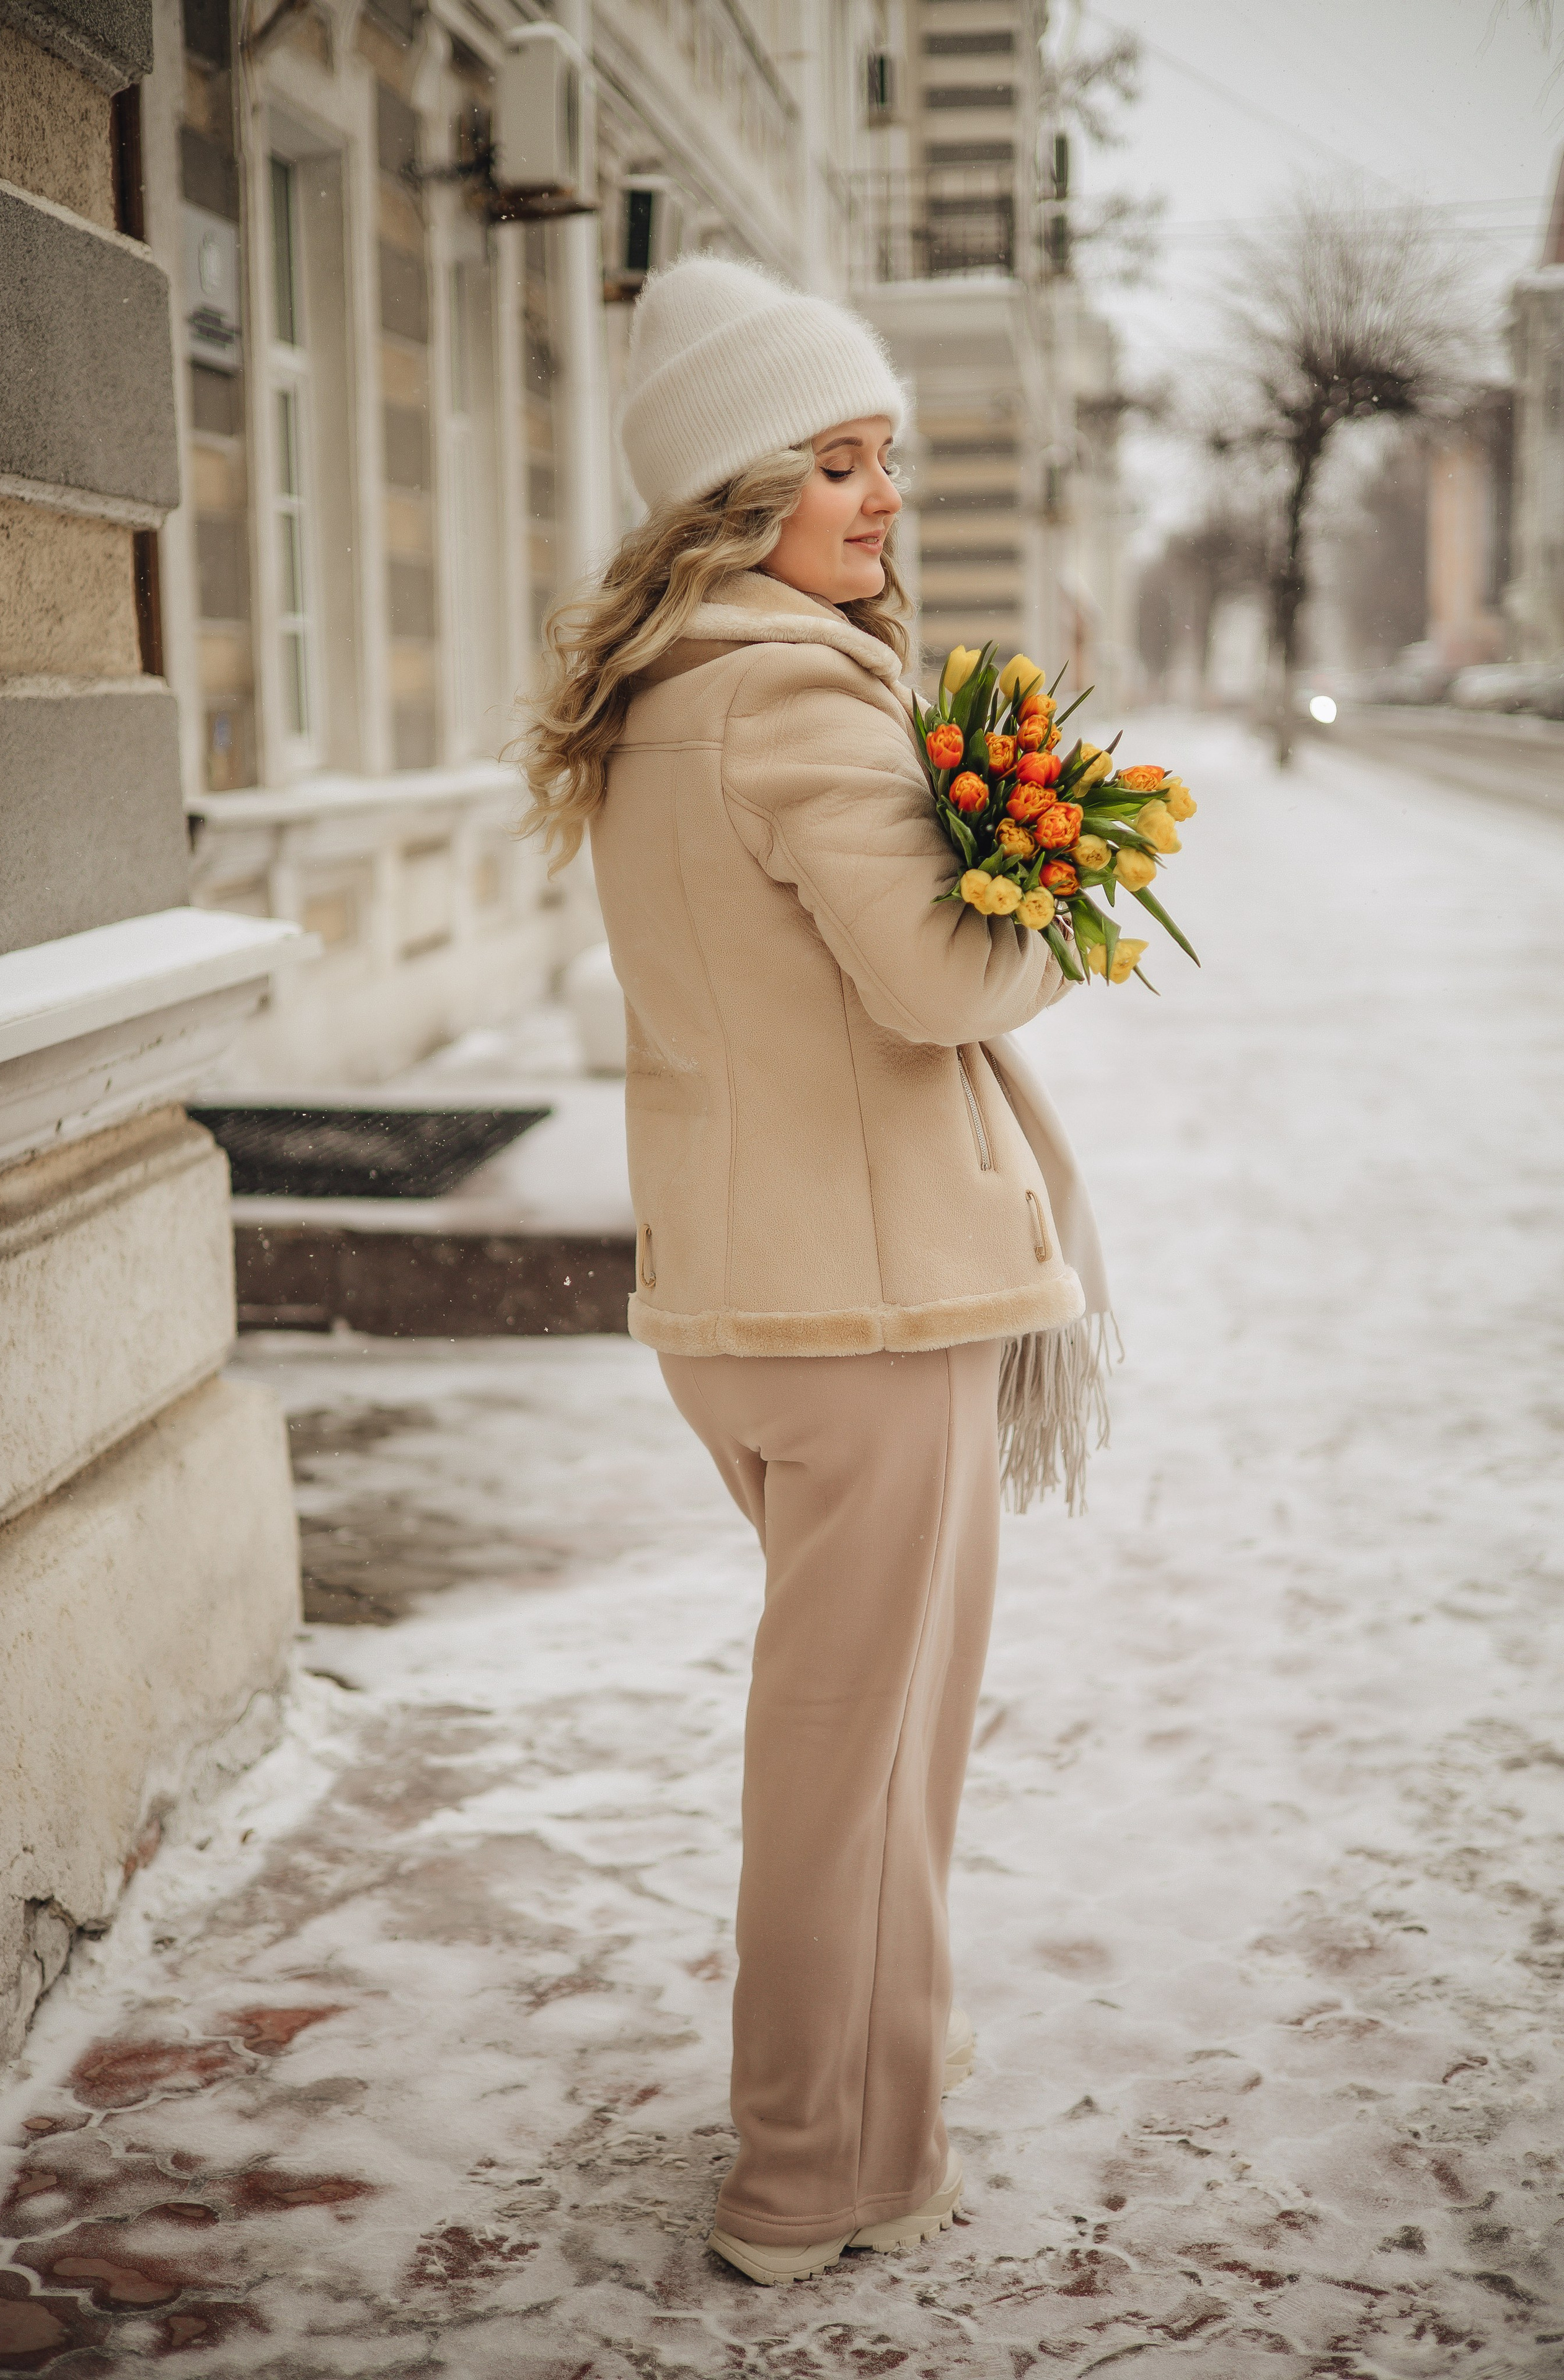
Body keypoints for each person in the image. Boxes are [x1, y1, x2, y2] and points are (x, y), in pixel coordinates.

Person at [520, 257, 1110, 2287]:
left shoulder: (665, 696)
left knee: (851, 1740)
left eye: (888, 462)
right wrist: (1072, 887)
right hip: (868, 1311)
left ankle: (868, 2100)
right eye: (840, 462)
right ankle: (809, 2169)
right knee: (859, 1755)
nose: (882, 499)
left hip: (758, 1298)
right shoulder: (786, 687)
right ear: (732, 487)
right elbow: (944, 971)